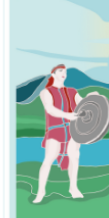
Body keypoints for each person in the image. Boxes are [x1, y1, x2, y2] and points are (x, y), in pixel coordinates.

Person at [32, 63, 84, 201]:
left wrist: (92, 97)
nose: (63, 73)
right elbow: (50, 109)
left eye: (65, 71)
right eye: (60, 71)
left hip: (73, 129)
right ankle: (40, 192)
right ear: (53, 74)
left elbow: (84, 104)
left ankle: (73, 188)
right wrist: (67, 115)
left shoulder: (72, 91)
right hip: (55, 129)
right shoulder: (46, 92)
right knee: (48, 159)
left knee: (74, 156)